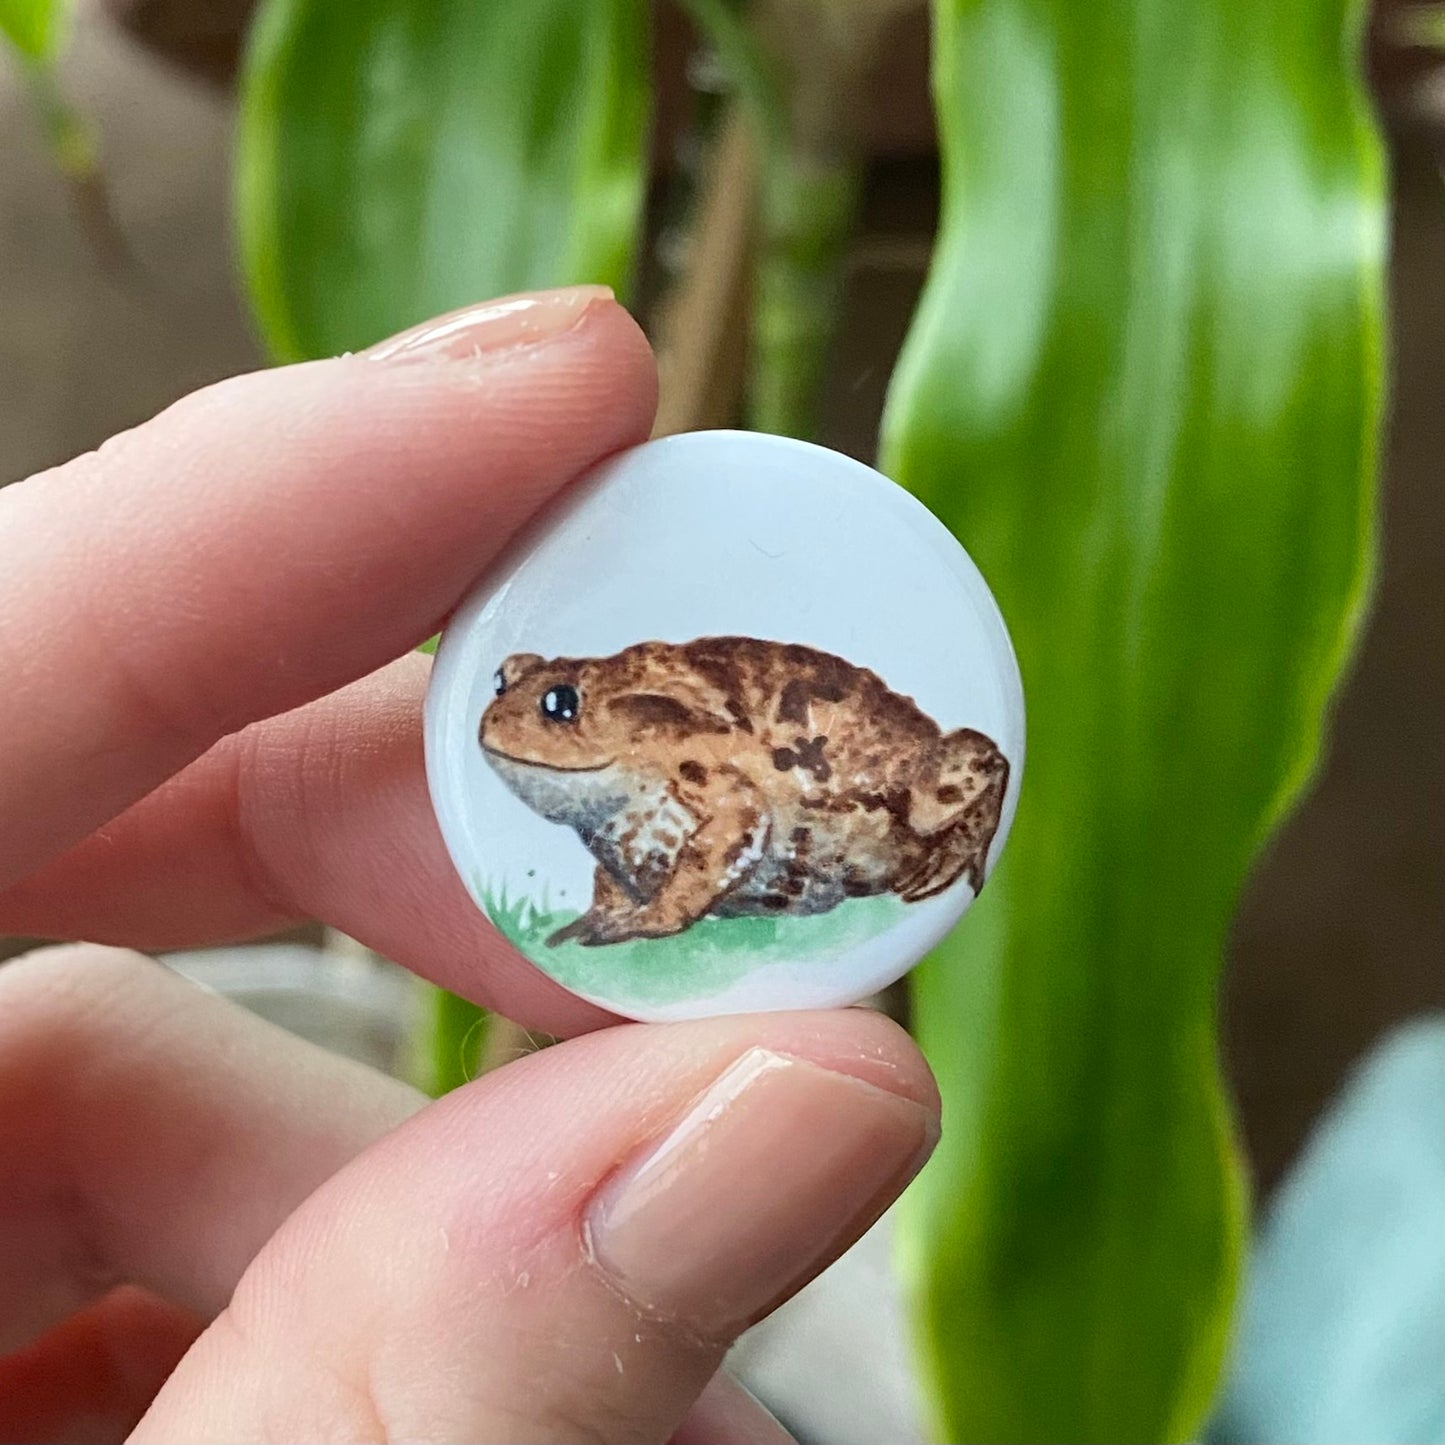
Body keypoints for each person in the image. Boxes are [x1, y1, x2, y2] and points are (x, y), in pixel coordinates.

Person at [0, 286, 941, 1443]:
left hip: (866, 783)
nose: (517, 720)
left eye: (548, 704)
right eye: (517, 691)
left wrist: (661, 915)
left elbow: (724, 811)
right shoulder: (612, 751)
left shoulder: (680, 748)